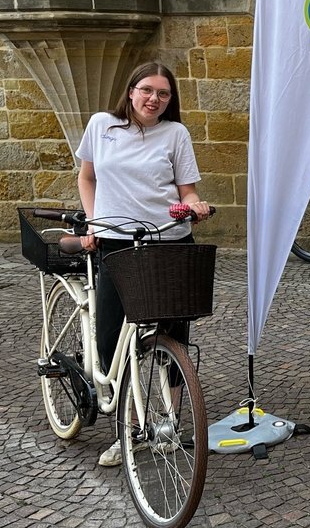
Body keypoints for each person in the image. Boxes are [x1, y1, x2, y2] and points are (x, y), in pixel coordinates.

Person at [75, 62, 213, 466]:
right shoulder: (101, 125)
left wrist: (195, 206)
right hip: (115, 241)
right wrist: (93, 221)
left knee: (174, 332)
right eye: (147, 90)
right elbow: (87, 178)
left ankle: (169, 423)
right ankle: (127, 429)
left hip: (168, 240)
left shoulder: (176, 133)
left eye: (164, 93)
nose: (154, 99)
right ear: (131, 91)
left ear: (171, 99)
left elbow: (186, 191)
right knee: (112, 336)